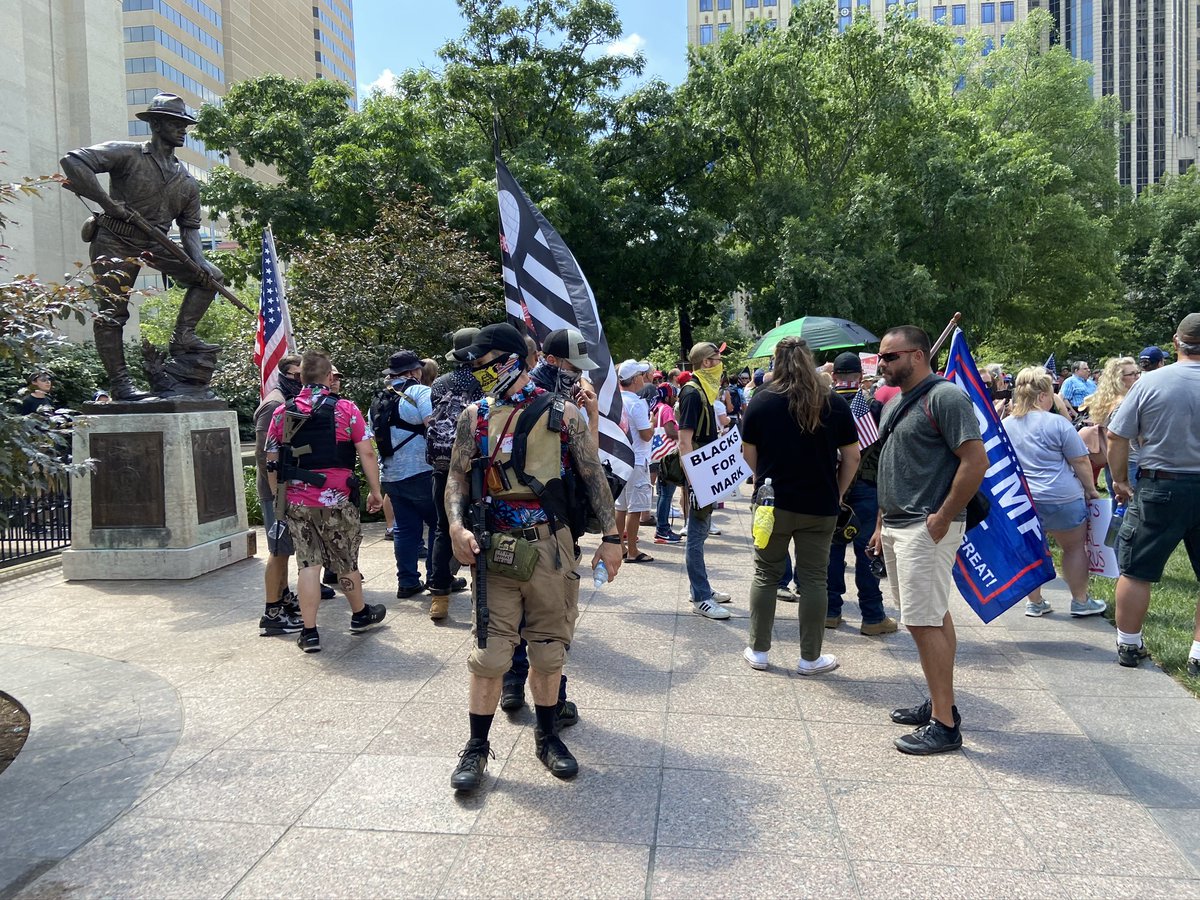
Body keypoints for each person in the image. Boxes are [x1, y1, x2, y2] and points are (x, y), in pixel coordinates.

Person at [443, 323, 623, 791]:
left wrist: (612, 537)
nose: (477, 373)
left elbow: (593, 476)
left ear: (510, 360)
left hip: (550, 549)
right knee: (489, 656)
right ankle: (476, 747)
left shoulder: (563, 414)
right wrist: (457, 525)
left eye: (483, 364)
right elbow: (457, 477)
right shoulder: (475, 416)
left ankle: (547, 736)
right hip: (495, 550)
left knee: (548, 649)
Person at [867, 326, 987, 755]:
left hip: (926, 526)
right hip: (898, 524)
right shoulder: (894, 403)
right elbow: (890, 466)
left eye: (890, 356)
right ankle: (941, 703)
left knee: (923, 621)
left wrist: (943, 517)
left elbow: (975, 461)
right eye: (881, 357)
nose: (882, 364)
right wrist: (881, 524)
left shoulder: (946, 398)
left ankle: (945, 725)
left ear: (918, 355)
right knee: (929, 616)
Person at [59, 94, 223, 401]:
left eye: (185, 126)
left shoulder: (187, 181)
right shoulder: (128, 154)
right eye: (175, 124)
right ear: (156, 124)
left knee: (210, 278)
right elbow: (73, 161)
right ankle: (121, 385)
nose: (183, 131)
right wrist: (108, 203)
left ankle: (183, 336)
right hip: (115, 238)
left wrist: (199, 261)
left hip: (155, 243)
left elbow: (189, 229)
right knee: (112, 312)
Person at [741, 338, 859, 674]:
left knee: (765, 574)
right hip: (820, 504)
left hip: (771, 504)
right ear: (810, 360)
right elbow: (852, 456)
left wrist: (764, 477)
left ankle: (759, 650)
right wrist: (838, 492)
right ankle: (809, 657)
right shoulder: (833, 402)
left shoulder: (761, 400)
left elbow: (748, 453)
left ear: (776, 362)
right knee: (814, 580)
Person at [502, 326, 598, 720]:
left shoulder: (528, 392)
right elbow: (586, 461)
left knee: (517, 611)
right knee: (550, 618)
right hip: (548, 522)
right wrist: (590, 416)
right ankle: (552, 701)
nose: (579, 375)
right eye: (574, 367)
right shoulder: (547, 400)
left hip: (521, 520)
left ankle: (513, 684)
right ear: (553, 361)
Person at [266, 351, 386, 653]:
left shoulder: (282, 412)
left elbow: (271, 460)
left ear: (300, 377)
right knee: (345, 560)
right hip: (337, 499)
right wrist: (376, 491)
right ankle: (359, 614)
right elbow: (366, 452)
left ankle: (309, 633)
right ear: (329, 377)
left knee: (308, 564)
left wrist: (279, 497)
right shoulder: (346, 408)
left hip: (297, 501)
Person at [1107, 313, 1200, 670]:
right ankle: (1198, 655)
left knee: (1137, 570)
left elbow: (1116, 435)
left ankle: (1129, 645)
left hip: (1160, 485)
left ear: (1176, 343)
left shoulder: (1150, 383)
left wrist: (1119, 480)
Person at [1003, 368, 1106, 618]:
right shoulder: (1058, 423)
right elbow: (1080, 460)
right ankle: (1080, 601)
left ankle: (1035, 602)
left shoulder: (1005, 425)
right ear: (1042, 396)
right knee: (1074, 548)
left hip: (1023, 499)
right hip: (1062, 497)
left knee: (1030, 550)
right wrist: (1091, 490)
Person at [825, 352, 897, 635]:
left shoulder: (823, 405)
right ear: (861, 376)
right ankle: (872, 616)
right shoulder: (872, 407)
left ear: (834, 376)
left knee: (831, 551)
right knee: (867, 551)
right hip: (867, 485)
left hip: (831, 486)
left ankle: (830, 611)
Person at [252, 354, 312, 636]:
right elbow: (263, 454)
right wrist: (278, 495)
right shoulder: (274, 404)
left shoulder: (287, 401)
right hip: (276, 492)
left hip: (286, 489)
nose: (302, 380)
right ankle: (272, 613)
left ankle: (284, 597)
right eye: (297, 375)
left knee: (285, 550)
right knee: (278, 551)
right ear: (285, 375)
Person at [425, 329, 481, 621]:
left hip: (442, 465)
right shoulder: (485, 381)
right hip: (477, 466)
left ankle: (439, 598)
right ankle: (481, 595)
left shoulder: (440, 383)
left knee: (443, 528)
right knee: (483, 527)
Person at [375, 350, 438, 603]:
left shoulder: (379, 399)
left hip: (391, 475)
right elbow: (434, 426)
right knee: (438, 525)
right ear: (414, 372)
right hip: (421, 471)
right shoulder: (420, 392)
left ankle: (407, 582)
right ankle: (437, 578)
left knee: (404, 529)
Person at [678, 341, 733, 619]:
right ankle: (701, 597)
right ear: (706, 363)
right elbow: (684, 442)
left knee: (700, 532)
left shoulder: (703, 390)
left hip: (706, 468)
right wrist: (695, 480)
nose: (721, 364)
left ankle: (700, 588)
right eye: (717, 359)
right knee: (697, 534)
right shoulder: (692, 392)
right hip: (700, 471)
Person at [1079, 356, 1140, 493]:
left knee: (1117, 502)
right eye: (1132, 374)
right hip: (1129, 463)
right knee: (1129, 503)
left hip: (1112, 462)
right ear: (1118, 379)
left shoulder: (1107, 400)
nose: (1137, 377)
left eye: (1138, 373)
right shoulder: (1124, 403)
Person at [616, 359, 655, 564]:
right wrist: (653, 424)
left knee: (620, 506)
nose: (643, 378)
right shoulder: (637, 403)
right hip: (638, 460)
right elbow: (646, 435)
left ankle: (620, 547)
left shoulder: (615, 401)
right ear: (634, 379)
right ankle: (632, 550)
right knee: (635, 508)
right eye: (640, 375)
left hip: (620, 459)